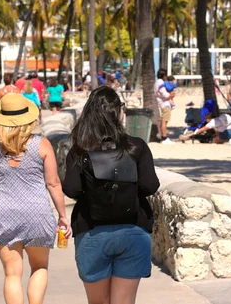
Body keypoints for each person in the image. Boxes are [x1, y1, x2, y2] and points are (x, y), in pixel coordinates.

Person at [63, 86, 160, 304]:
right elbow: (150, 186)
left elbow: (71, 190)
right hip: (133, 230)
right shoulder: (137, 147)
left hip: (91, 232)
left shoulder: (79, 151)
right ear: (118, 112)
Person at [0, 93, 71, 304]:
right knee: (39, 267)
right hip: (36, 213)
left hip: (2, 214)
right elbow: (53, 183)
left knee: (12, 274)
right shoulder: (42, 144)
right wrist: (62, 215)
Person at [154, 68, 175, 144]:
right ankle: (164, 138)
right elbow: (165, 95)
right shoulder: (160, 83)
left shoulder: (157, 82)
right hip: (165, 104)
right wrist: (171, 95)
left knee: (164, 120)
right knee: (164, 121)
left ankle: (163, 137)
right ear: (164, 75)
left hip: (162, 104)